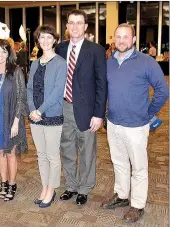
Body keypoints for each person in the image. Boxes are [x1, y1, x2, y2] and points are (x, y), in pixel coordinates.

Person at [101, 23, 169, 223]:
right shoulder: (109, 62)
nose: (121, 40)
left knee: (139, 167)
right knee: (119, 162)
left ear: (133, 39)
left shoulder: (146, 62)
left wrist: (148, 113)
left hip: (136, 126)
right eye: (118, 37)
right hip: (113, 123)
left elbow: (163, 91)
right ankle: (121, 195)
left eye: (126, 37)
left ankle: (137, 204)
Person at [55, 9, 107, 205]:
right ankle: (71, 185)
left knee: (87, 151)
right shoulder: (59, 49)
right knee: (67, 149)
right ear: (67, 27)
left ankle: (85, 188)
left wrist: (98, 114)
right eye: (71, 23)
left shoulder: (96, 50)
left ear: (85, 26)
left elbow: (102, 84)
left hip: (87, 110)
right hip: (64, 107)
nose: (75, 26)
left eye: (79, 23)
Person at [27, 24, 67, 208]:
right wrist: (32, 110)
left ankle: (51, 189)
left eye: (49, 37)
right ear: (38, 41)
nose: (45, 41)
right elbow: (29, 89)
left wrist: (40, 110)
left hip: (51, 116)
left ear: (54, 40)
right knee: (41, 155)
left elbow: (58, 91)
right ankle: (45, 186)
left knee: (52, 155)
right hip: (35, 117)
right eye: (42, 37)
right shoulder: (35, 63)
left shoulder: (60, 63)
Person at [0, 39, 28, 202]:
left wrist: (16, 121)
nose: (0, 54)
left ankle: (12, 184)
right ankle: (3, 182)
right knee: (0, 152)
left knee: (10, 152)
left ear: (9, 54)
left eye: (4, 51)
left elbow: (21, 97)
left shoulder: (16, 71)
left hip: (11, 117)